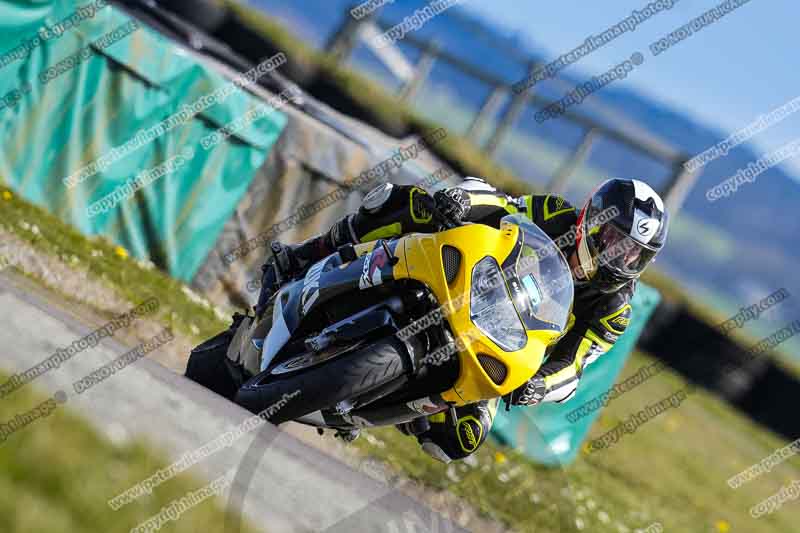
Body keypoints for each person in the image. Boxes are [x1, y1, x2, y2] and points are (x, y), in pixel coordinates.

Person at [255, 176, 669, 463]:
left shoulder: (616, 308)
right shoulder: (554, 213)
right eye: (615, 240)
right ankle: (303, 256)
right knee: (406, 204)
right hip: (468, 284)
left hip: (504, 342)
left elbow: (574, 366)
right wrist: (463, 202)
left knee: (459, 439)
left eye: (634, 253)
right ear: (592, 220)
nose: (622, 257)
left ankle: (378, 399)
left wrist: (540, 385)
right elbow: (503, 206)